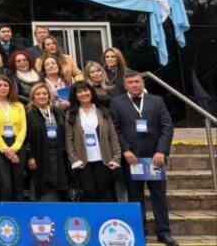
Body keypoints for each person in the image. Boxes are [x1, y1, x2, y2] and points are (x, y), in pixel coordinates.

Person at [111, 71, 178, 246]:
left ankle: (163, 232)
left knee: (159, 196)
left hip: (155, 157)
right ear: (125, 85)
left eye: (137, 81)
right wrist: (125, 150)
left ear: (143, 83)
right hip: (132, 158)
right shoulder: (116, 102)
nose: (134, 85)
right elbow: (115, 129)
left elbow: (167, 127)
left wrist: (161, 151)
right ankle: (138, 230)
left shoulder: (157, 101)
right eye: (130, 82)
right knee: (135, 196)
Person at [65, 81, 121, 202]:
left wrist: (116, 157)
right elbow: (69, 140)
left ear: (91, 92)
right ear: (75, 96)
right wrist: (74, 159)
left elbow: (113, 136)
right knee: (88, 192)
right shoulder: (71, 114)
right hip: (83, 161)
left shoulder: (103, 111)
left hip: (104, 159)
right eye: (79, 92)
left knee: (105, 192)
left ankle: (104, 220)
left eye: (86, 90)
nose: (84, 93)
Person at [0, 74, 27, 201]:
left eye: (5, 85)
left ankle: (19, 218)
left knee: (19, 187)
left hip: (17, 146)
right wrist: (6, 150)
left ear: (10, 88)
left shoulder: (18, 105)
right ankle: (6, 219)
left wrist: (15, 148)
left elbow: (23, 128)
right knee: (6, 187)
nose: (3, 88)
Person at [25, 82, 68, 201]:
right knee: (44, 187)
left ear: (49, 96)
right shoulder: (29, 114)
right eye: (38, 94)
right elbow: (26, 137)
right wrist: (30, 156)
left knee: (58, 182)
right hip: (40, 155)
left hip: (58, 154)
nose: (42, 96)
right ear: (33, 97)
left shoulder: (57, 112)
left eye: (44, 93)